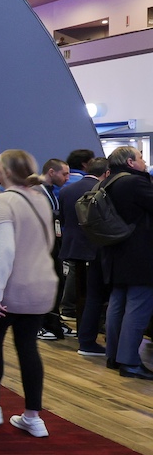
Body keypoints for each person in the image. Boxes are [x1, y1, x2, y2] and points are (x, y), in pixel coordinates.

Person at [0, 149, 60, 435]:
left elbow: (3, 250)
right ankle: (33, 415)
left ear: (6, 172)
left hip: (9, 288)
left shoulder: (2, 202)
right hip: (41, 287)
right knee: (28, 349)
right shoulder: (41, 200)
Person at [97, 146, 153, 379]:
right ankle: (129, 361)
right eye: (140, 158)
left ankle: (114, 356)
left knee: (117, 305)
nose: (144, 162)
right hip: (140, 254)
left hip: (115, 253)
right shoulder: (134, 183)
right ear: (130, 162)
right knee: (138, 307)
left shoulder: (107, 183)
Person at [57, 157, 109, 356]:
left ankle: (83, 331)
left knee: (80, 290)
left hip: (72, 246)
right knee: (97, 295)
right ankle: (94, 333)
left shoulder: (66, 190)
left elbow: (62, 218)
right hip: (96, 248)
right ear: (106, 172)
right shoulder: (102, 190)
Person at [36, 158, 72, 341]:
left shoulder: (51, 191)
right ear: (52, 172)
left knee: (57, 284)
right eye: (64, 174)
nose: (67, 178)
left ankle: (54, 321)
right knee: (44, 285)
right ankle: (40, 324)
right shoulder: (36, 191)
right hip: (41, 248)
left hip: (53, 245)